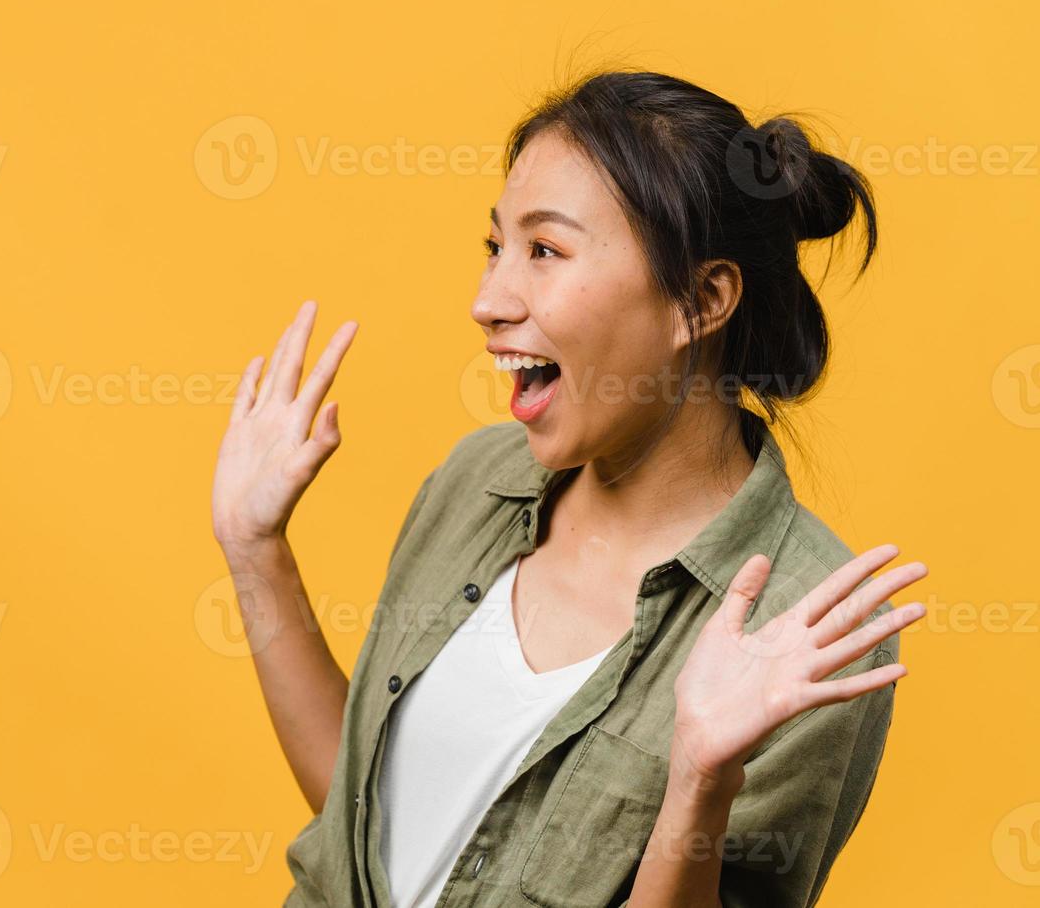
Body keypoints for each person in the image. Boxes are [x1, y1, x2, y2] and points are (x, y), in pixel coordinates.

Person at [210, 70, 926, 908]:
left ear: (702, 300)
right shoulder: (476, 480)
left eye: (544, 251)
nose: (486, 301)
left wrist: (700, 779)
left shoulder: (809, 624)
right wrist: (254, 550)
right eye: (495, 247)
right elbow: (361, 820)